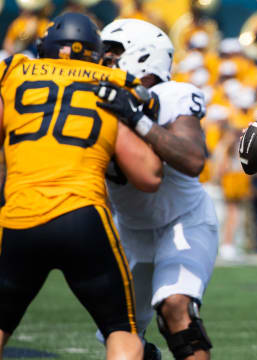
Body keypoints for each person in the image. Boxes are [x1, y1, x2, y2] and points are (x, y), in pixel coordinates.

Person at [0, 12, 164, 360]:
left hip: (18, 217)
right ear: (95, 50)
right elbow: (149, 177)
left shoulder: (13, 71)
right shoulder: (113, 81)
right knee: (121, 331)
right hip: (83, 217)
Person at [95, 18, 219, 360]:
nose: (102, 60)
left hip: (183, 221)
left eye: (112, 53)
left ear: (143, 56)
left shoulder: (172, 95)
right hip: (129, 231)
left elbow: (194, 159)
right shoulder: (94, 98)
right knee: (121, 336)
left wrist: (137, 118)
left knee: (176, 308)